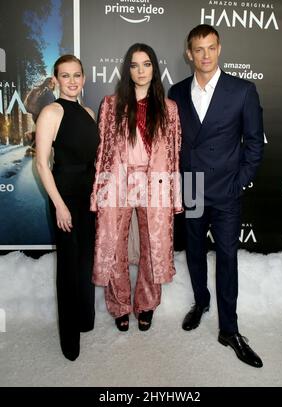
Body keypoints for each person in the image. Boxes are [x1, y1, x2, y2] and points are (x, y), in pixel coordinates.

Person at [168, 24, 264, 368]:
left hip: (226, 191)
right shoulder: (176, 93)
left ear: (219, 49)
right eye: (198, 49)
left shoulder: (242, 91)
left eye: (211, 48)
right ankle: (200, 302)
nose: (205, 55)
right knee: (194, 251)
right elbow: (173, 143)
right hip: (191, 187)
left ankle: (229, 329)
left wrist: (239, 183)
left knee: (227, 258)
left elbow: (254, 143)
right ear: (189, 53)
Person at [90, 43, 181, 332]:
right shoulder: (111, 104)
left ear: (154, 69)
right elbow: (102, 150)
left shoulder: (169, 109)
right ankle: (119, 305)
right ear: (127, 70)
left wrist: (174, 196)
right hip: (116, 180)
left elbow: (174, 155)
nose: (140, 71)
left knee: (153, 246)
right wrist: (98, 192)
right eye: (134, 65)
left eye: (146, 64)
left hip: (155, 182)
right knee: (114, 244)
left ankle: (146, 304)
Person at [35, 55, 99, 361]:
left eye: (77, 75)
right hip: (65, 197)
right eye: (65, 75)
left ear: (83, 78)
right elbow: (41, 164)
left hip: (88, 197)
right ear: (56, 80)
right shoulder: (51, 112)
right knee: (69, 266)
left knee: (86, 261)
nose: (72, 81)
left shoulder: (88, 112)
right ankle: (69, 338)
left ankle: (85, 319)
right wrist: (59, 205)